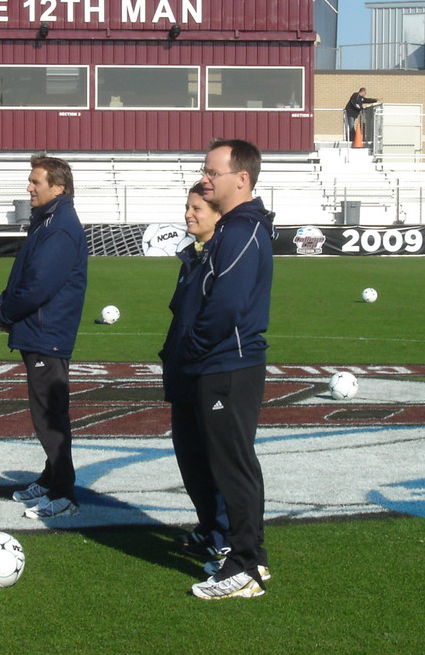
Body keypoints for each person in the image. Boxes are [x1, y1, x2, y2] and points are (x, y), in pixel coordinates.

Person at [183, 138, 275, 601]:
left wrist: (194, 348)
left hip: (228, 364)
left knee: (233, 465)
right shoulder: (237, 227)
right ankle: (250, 558)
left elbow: (226, 306)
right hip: (227, 362)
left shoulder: (240, 230)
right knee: (235, 462)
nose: (205, 178)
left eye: (212, 172)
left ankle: (244, 566)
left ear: (241, 179)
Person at [0, 154, 88, 520]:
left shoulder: (60, 226)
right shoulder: (47, 221)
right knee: (45, 413)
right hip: (38, 331)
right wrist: (5, 301)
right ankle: (51, 479)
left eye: (36, 182)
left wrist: (9, 312)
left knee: (49, 417)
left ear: (58, 188)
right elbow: (25, 273)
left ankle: (63, 492)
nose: (29, 187)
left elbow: (39, 286)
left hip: (47, 334)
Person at [160, 184, 231, 566]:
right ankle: (210, 528)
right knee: (189, 457)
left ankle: (226, 538)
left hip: (210, 372)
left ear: (218, 214)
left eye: (197, 208)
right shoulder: (193, 257)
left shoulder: (222, 255)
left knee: (214, 458)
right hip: (183, 370)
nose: (188, 214)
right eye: (186, 207)